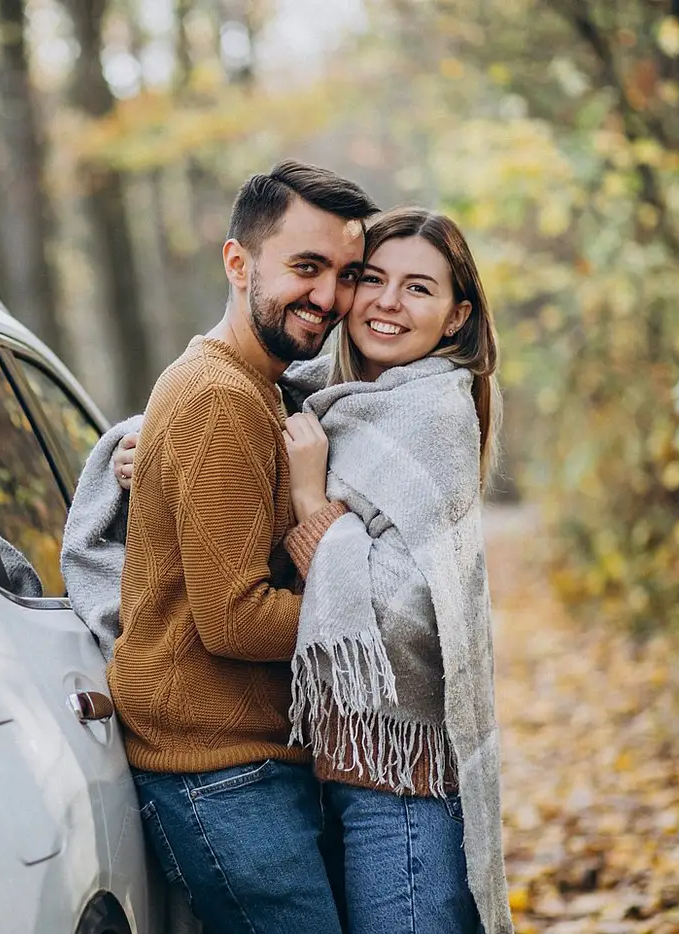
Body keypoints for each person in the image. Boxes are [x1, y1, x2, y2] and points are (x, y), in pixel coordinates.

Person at [79, 207, 513, 934]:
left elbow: (397, 616)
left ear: (457, 315)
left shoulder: (432, 414)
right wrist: (144, 450)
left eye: (418, 289)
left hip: (400, 780)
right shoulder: (328, 396)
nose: (385, 302)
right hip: (331, 767)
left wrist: (311, 497)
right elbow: (221, 408)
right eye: (370, 279)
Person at [63, 160, 377, 934]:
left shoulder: (258, 388)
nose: (330, 298)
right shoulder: (221, 397)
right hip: (219, 773)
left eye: (345, 274)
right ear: (239, 264)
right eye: (306, 268)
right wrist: (372, 622)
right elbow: (234, 618)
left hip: (252, 759)